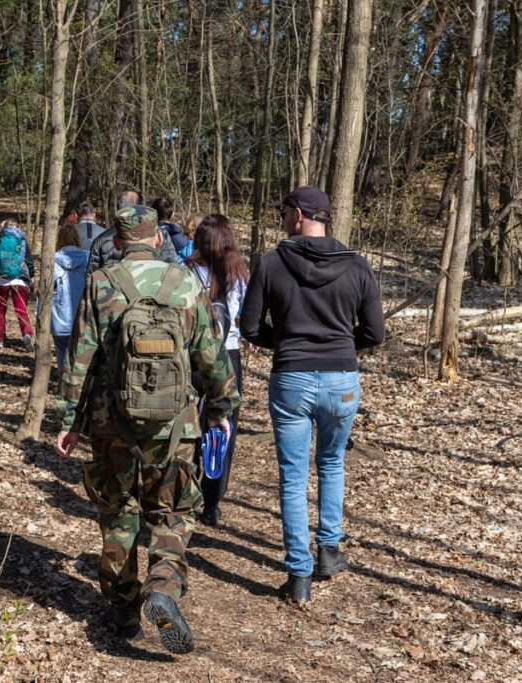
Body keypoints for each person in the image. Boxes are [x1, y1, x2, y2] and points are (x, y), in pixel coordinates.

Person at [56, 205, 241, 654]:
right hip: (175, 424)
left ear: (118, 241)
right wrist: (220, 407)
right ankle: (164, 586)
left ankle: (123, 613)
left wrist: (70, 420)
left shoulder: (101, 283)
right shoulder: (185, 283)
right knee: (172, 511)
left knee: (118, 513)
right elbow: (211, 354)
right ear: (158, 238)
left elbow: (80, 357)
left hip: (111, 422)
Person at [240, 186, 384, 604]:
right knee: (332, 463)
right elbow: (375, 332)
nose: (282, 218)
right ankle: (328, 550)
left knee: (293, 475)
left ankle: (299, 575)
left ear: (300, 214)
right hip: (341, 380)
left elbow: (250, 327)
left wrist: (288, 341)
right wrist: (339, 345)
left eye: (284, 211)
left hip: (292, 378)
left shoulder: (271, 263)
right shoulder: (357, 265)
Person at [184, 214, 248, 526]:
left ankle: (185, 490)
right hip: (228, 355)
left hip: (192, 357)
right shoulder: (240, 273)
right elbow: (246, 315)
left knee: (187, 426)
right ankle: (212, 502)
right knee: (223, 429)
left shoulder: (185, 272)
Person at [86, 189, 179, 273]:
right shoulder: (158, 234)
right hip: (154, 285)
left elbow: (92, 279)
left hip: (113, 286)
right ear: (142, 208)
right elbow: (173, 270)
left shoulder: (101, 240)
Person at [0, 220, 36, 351]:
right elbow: (29, 260)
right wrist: (31, 277)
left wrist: (0, 233)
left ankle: (0, 338)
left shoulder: (0, 239)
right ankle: (27, 333)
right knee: (21, 309)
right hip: (19, 279)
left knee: (0, 309)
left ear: (4, 226)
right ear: (17, 227)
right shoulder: (22, 240)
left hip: (1, 279)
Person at [51, 223, 88, 372]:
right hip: (82, 317)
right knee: (79, 356)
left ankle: (62, 380)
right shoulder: (87, 257)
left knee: (61, 353)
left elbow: (48, 288)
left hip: (59, 316)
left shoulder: (52, 260)